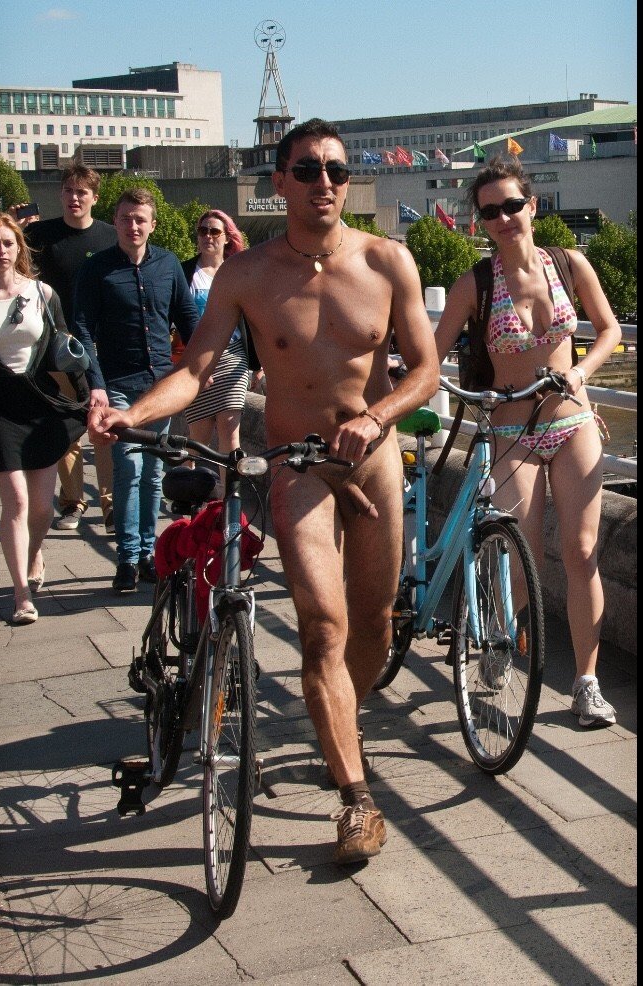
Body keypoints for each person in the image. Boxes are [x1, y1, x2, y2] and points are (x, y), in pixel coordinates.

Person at [87, 119, 440, 863]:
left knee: (374, 627)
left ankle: (340, 720)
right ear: (278, 182)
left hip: (374, 459)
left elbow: (425, 371)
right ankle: (357, 801)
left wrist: (375, 417)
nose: (324, 182)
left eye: (337, 170)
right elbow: (196, 369)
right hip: (295, 465)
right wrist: (133, 414)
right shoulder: (248, 276)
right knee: (322, 627)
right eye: (307, 169)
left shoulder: (387, 260)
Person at [434, 155, 622, 729]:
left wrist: (582, 371)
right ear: (480, 221)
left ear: (532, 206)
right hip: (512, 431)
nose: (503, 219)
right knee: (521, 557)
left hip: (572, 423)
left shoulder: (568, 263)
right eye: (490, 211)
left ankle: (586, 684)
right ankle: (500, 633)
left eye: (512, 206)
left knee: (583, 553)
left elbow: (610, 329)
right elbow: (430, 353)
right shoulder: (476, 284)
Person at [72, 187, 199, 593]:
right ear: (116, 222)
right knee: (129, 468)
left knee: (154, 472)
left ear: (152, 225)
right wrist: (96, 385)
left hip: (159, 385)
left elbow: (187, 316)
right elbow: (82, 329)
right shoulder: (97, 269)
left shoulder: (168, 265)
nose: (133, 226)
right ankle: (127, 557)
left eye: (140, 219)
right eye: (125, 218)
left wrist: (200, 365)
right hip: (117, 383)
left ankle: (148, 554)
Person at [0, 211, 86, 623]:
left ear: (19, 247)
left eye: (8, 242)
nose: (1, 250)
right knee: (18, 501)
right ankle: (21, 595)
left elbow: (66, 346)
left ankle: (34, 551)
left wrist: (89, 394)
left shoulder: (42, 293)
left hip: (40, 404)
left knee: (41, 508)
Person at [20, 165, 117, 533]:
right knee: (66, 426)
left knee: (104, 423)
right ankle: (73, 501)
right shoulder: (39, 236)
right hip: (56, 346)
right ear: (61, 195)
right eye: (68, 191)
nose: (74, 198)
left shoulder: (110, 236)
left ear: (94, 197)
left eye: (82, 192)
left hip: (102, 344)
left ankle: (111, 505)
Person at [182, 209, 264, 491]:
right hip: (198, 359)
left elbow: (253, 321)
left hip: (233, 358)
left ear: (227, 238)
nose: (208, 236)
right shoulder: (185, 272)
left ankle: (230, 498)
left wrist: (257, 365)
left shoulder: (237, 273)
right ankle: (188, 494)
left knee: (230, 434)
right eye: (203, 230)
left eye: (214, 231)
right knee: (197, 439)